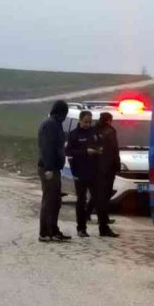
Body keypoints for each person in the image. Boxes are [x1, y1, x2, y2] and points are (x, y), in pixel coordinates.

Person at [38, 100, 71, 241]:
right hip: (49, 169)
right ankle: (45, 232)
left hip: (54, 168)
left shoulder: (55, 124)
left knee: (55, 201)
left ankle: (53, 230)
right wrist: (49, 168)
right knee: (49, 200)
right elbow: (47, 149)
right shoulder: (50, 125)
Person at [65, 110, 99, 237]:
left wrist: (98, 150)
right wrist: (85, 152)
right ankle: (81, 228)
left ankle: (88, 216)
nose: (87, 124)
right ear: (80, 120)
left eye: (90, 122)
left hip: (93, 170)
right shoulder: (74, 134)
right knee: (81, 200)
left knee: (97, 196)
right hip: (79, 171)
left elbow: (98, 144)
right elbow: (68, 151)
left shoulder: (93, 132)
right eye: (85, 122)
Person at [92, 112, 120, 237]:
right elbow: (114, 151)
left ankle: (101, 222)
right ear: (109, 120)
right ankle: (103, 226)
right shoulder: (109, 132)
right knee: (103, 198)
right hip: (107, 169)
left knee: (98, 197)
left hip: (97, 169)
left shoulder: (94, 130)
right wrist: (117, 166)